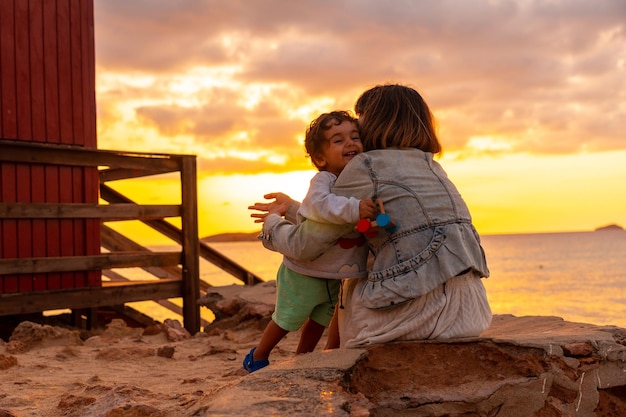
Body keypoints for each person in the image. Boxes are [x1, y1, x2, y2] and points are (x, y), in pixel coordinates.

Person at [250, 83, 492, 348]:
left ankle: (333, 354)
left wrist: (273, 223)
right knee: (365, 242)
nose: (357, 127)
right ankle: (332, 352)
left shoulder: (364, 165)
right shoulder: (431, 165)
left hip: (413, 317)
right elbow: (340, 220)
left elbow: (307, 245)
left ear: (375, 120)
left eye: (360, 118)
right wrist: (296, 209)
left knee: (350, 274)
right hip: (472, 313)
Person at [243, 111, 377, 372]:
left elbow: (325, 218)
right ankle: (258, 356)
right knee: (288, 317)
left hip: (332, 272)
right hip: (303, 271)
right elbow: (318, 207)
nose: (350, 143)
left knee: (320, 319)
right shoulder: (324, 179)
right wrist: (356, 209)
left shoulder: (357, 182)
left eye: (354, 137)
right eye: (338, 141)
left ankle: (302, 358)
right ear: (320, 158)